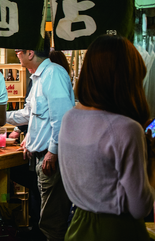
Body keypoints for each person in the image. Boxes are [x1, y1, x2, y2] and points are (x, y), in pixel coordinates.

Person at [59, 35, 155, 241]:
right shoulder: (126, 129)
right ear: (126, 79)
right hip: (118, 231)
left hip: (77, 227)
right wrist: (152, 160)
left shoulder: (69, 118)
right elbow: (141, 207)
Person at [6, 33, 74, 241]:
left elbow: (61, 117)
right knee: (42, 218)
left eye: (18, 52)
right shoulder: (38, 77)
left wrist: (53, 151)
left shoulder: (53, 74)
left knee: (51, 223)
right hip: (39, 156)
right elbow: (29, 114)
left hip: (49, 158)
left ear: (30, 52)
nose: (17, 56)